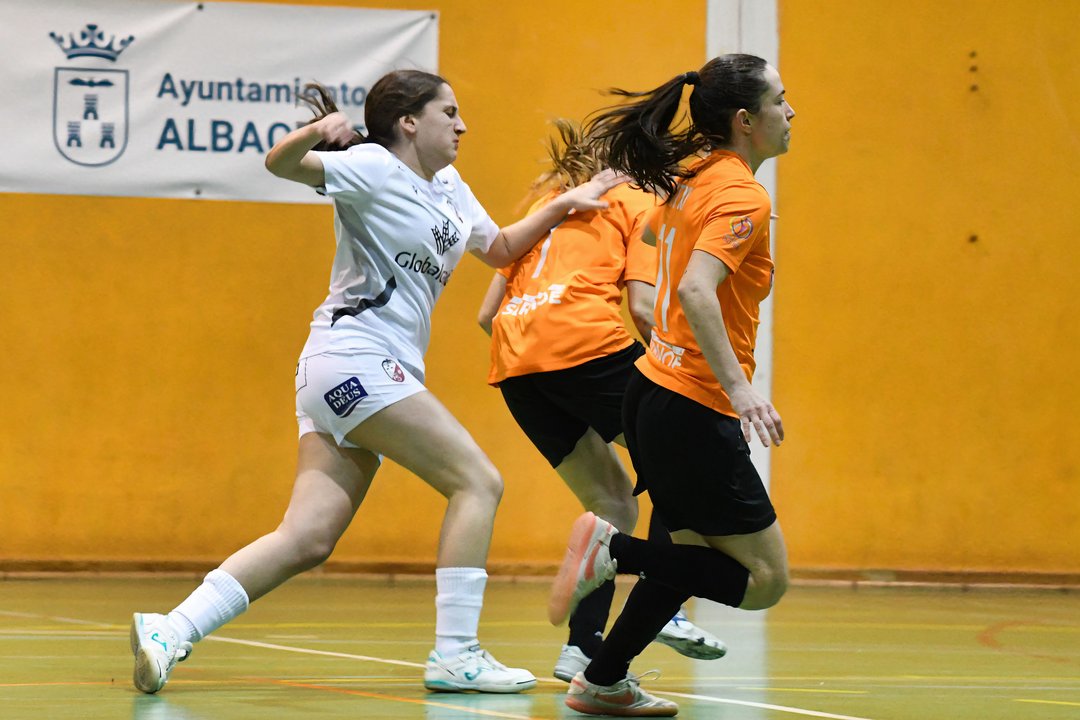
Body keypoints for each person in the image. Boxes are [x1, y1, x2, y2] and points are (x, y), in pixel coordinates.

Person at [128, 70, 623, 696]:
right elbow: (281, 165)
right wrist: (317, 129)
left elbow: (497, 247)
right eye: (449, 112)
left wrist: (562, 205)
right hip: (356, 358)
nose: (462, 125)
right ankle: (456, 652)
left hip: (351, 371)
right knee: (477, 480)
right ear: (409, 121)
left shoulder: (446, 184)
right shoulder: (370, 166)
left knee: (307, 539)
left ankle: (170, 630)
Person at [546, 53, 796, 717]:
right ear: (746, 120)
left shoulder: (699, 177)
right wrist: (743, 392)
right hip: (692, 407)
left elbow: (668, 254)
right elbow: (693, 287)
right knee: (765, 581)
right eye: (780, 99)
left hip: (653, 393)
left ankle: (601, 680)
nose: (791, 111)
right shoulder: (742, 193)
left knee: (682, 556)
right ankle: (612, 548)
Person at [475, 120, 727, 684]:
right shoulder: (638, 201)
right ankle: (668, 606)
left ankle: (582, 648)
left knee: (612, 505)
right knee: (684, 463)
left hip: (516, 367)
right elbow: (641, 308)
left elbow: (487, 315)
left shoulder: (551, 204)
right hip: (585, 345)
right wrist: (679, 376)